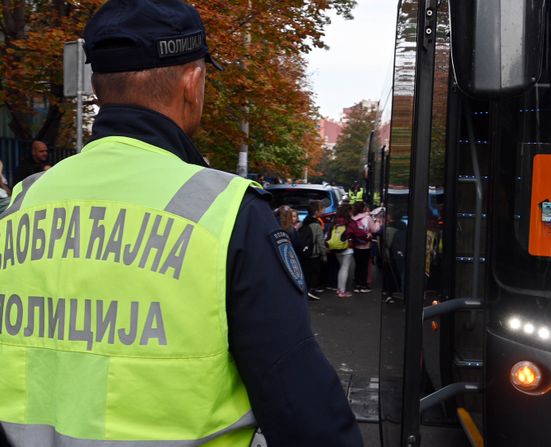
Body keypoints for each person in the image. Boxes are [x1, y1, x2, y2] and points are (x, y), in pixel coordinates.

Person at [0, 1, 362, 446]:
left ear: (97, 88)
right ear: (193, 82)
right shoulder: (227, 211)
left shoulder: (22, 203)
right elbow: (302, 409)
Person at [300, 200, 328, 300]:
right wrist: (324, 253)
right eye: (322, 208)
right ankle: (311, 291)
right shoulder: (316, 224)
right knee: (315, 272)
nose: (324, 210)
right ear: (316, 212)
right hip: (314, 252)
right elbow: (320, 241)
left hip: (306, 251)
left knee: (307, 272)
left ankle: (306, 289)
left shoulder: (306, 221)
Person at [350, 201, 380, 293]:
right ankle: (363, 285)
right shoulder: (367, 218)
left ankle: (356, 284)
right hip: (366, 245)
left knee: (358, 265)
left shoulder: (353, 218)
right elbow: (374, 230)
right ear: (363, 208)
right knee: (364, 265)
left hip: (356, 245)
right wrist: (378, 222)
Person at [328, 203, 354, 298]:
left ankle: (339, 289)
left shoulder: (334, 221)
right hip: (347, 248)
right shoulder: (349, 221)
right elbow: (356, 232)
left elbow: (329, 233)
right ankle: (342, 291)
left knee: (341, 268)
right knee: (345, 268)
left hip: (336, 247)